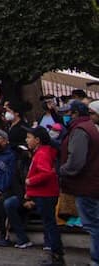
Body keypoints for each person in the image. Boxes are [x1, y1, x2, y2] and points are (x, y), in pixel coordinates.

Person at [11, 126, 62, 261]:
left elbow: (47, 173)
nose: (26, 140)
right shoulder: (41, 152)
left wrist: (29, 181)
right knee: (49, 224)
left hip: (46, 195)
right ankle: (55, 254)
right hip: (43, 194)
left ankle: (56, 254)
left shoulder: (42, 154)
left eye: (29, 137)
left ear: (37, 140)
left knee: (49, 225)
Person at [58, 100, 99, 266]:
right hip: (90, 182)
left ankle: (96, 259)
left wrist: (62, 170)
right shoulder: (89, 128)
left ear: (74, 113)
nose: (66, 116)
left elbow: (76, 161)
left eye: (68, 113)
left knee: (93, 224)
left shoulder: (81, 130)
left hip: (86, 184)